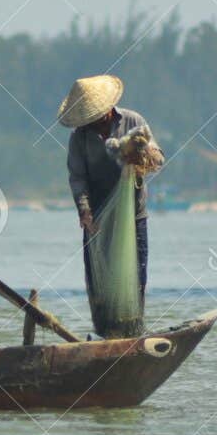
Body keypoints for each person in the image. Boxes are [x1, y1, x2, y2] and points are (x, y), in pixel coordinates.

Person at [58, 75, 158, 334]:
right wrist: (84, 210)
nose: (90, 122)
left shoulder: (133, 122)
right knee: (99, 283)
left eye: (94, 116)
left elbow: (157, 157)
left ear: (107, 110)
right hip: (98, 221)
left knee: (134, 279)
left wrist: (141, 157)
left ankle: (133, 333)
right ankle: (106, 334)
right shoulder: (79, 138)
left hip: (133, 217)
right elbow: (77, 177)